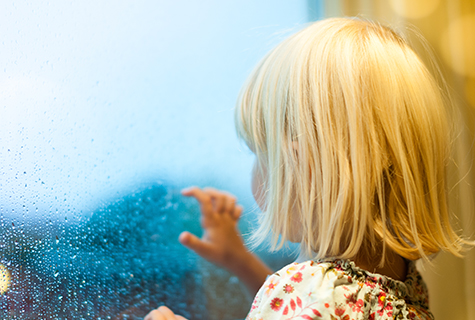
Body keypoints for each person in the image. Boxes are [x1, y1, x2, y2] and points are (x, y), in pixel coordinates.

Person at [144, 17, 473, 320]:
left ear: (302, 164)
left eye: (261, 152)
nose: (256, 171)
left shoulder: (307, 286)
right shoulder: (404, 283)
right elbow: (313, 306)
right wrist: (240, 261)